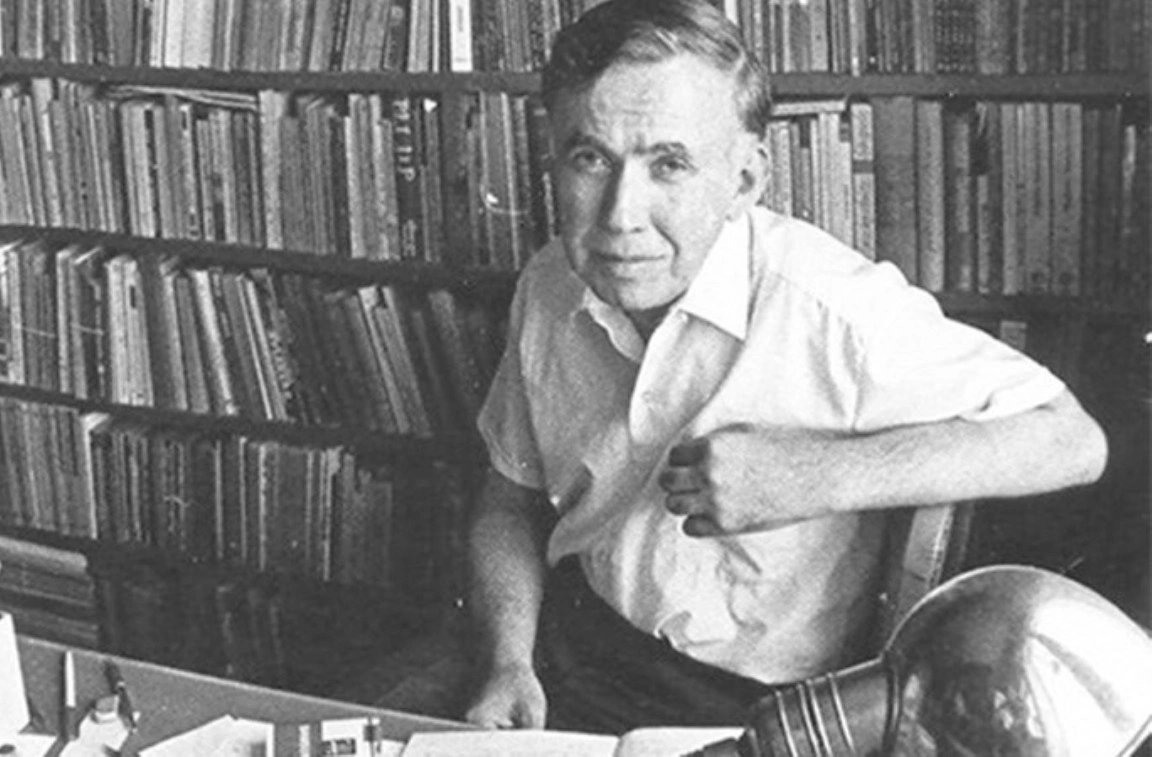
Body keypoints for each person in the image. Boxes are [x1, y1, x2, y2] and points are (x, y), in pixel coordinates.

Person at [463, 0, 1109, 736]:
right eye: (590, 159)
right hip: (562, 649)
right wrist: (507, 663)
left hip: (749, 709)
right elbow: (508, 503)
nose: (620, 216)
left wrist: (817, 475)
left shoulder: (832, 310)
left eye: (669, 164)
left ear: (745, 180)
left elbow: (1072, 439)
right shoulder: (550, 282)